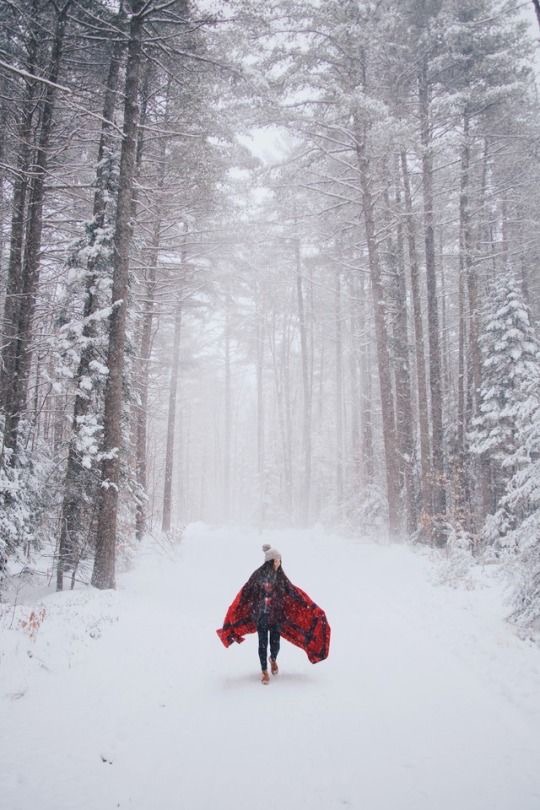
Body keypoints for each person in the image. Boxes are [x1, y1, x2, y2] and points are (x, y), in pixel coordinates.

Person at [217, 544, 331, 685]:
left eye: (280, 560)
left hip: (276, 616)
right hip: (261, 616)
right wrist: (238, 610)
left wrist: (311, 608)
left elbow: (293, 593)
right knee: (262, 644)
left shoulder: (281, 577)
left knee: (275, 644)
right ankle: (264, 670)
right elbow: (245, 593)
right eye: (276, 560)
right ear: (270, 561)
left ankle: (273, 659)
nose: (279, 563)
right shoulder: (258, 575)